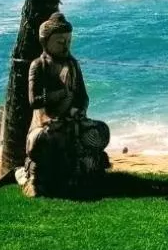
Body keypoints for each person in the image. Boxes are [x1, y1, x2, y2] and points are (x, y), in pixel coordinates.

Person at [17, 11, 110, 197]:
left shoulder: (73, 64)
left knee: (102, 131)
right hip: (47, 122)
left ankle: (86, 169)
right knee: (41, 141)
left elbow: (83, 97)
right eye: (60, 42)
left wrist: (78, 111)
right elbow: (34, 101)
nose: (65, 45)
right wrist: (56, 97)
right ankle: (35, 177)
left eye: (68, 41)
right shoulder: (39, 65)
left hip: (72, 121)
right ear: (46, 42)